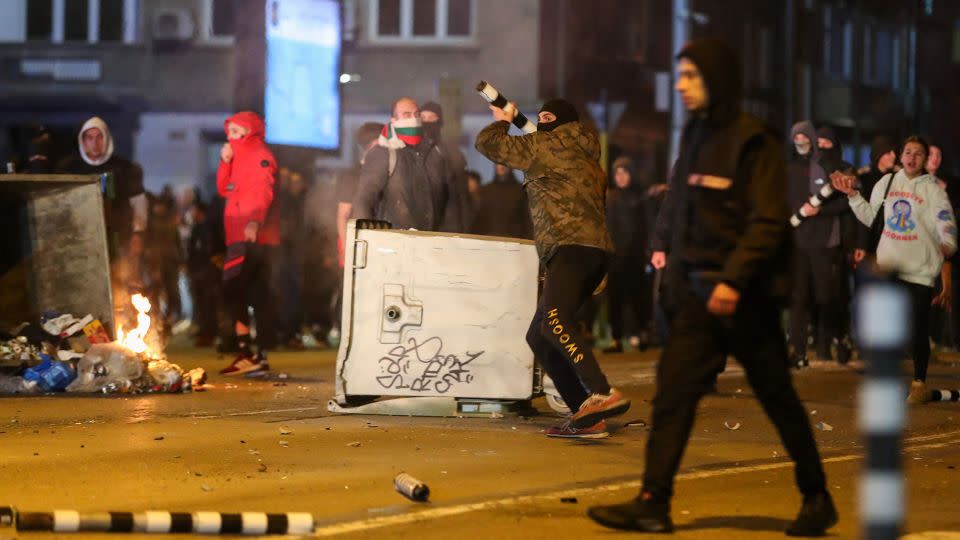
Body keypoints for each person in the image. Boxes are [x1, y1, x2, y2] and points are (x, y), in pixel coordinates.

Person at [588, 38, 836, 536]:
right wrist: (676, 283)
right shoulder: (697, 135)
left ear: (716, 79)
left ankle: (817, 497)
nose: (680, 86)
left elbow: (767, 221)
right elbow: (683, 213)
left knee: (777, 399)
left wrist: (733, 280)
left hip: (744, 300)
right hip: (697, 300)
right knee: (672, 397)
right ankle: (653, 501)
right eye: (679, 76)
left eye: (691, 77)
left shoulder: (753, 141)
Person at [475, 97, 629, 440]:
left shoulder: (543, 145)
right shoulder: (589, 156)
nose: (542, 122)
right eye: (540, 117)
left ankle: (601, 392)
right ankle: (586, 417)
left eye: (548, 118)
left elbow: (487, 144)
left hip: (569, 248)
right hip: (594, 252)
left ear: (558, 124)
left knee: (555, 319)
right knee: (540, 334)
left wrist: (502, 119)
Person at [832, 135, 957, 403]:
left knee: (917, 330)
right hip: (888, 268)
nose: (912, 157)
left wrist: (948, 242)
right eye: (908, 152)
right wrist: (853, 195)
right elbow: (870, 216)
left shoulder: (933, 190)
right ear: (901, 156)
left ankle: (919, 383)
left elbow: (945, 221)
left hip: (920, 271)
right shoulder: (886, 183)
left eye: (918, 154)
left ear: (924, 160)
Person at [216, 111, 281, 377]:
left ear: (248, 131)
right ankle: (252, 354)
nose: (229, 136)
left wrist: (255, 221)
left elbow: (264, 190)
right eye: (229, 131)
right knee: (245, 292)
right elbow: (223, 189)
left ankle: (251, 352)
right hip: (238, 235)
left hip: (249, 236)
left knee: (235, 289)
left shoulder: (258, 154)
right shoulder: (239, 156)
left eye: (235, 131)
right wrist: (225, 162)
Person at [787, 121, 850, 366]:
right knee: (798, 298)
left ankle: (839, 338)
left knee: (826, 297)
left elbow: (847, 202)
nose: (800, 140)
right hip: (798, 243)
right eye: (796, 137)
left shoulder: (828, 166)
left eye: (804, 136)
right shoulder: (789, 168)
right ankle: (798, 352)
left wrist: (820, 211)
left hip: (824, 243)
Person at [57, 116, 148, 261]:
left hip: (117, 235)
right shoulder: (69, 168)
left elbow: (138, 202)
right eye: (90, 138)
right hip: (80, 237)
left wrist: (138, 233)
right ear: (83, 141)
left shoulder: (124, 168)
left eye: (99, 137)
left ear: (106, 138)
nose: (95, 143)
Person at [351, 97, 446, 231]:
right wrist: (367, 239)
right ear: (394, 120)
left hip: (429, 241)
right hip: (393, 242)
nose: (413, 119)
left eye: (416, 114)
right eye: (407, 115)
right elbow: (364, 200)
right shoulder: (383, 153)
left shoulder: (432, 152)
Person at [603, 156, 651, 353]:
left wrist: (648, 251)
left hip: (635, 257)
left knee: (637, 296)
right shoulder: (610, 198)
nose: (620, 177)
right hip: (615, 256)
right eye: (617, 173)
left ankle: (642, 332)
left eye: (624, 172)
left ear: (631, 174)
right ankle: (616, 338)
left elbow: (648, 225)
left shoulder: (640, 198)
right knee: (614, 298)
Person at [421, 102, 470, 233]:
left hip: (448, 225)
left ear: (440, 121)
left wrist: (463, 228)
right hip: (420, 224)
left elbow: (461, 195)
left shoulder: (451, 152)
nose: (426, 122)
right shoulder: (411, 152)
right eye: (423, 118)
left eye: (431, 118)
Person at [468, 163, 533, 239]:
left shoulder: (520, 191)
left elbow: (525, 219)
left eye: (503, 163)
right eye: (498, 163)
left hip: (514, 242)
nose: (501, 166)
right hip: (489, 241)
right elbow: (479, 220)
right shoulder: (485, 191)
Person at [187, 200, 219, 347]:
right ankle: (204, 330)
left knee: (208, 304)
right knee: (201, 303)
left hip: (206, 272)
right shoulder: (197, 228)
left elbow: (205, 250)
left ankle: (209, 333)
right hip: (198, 271)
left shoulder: (207, 228)